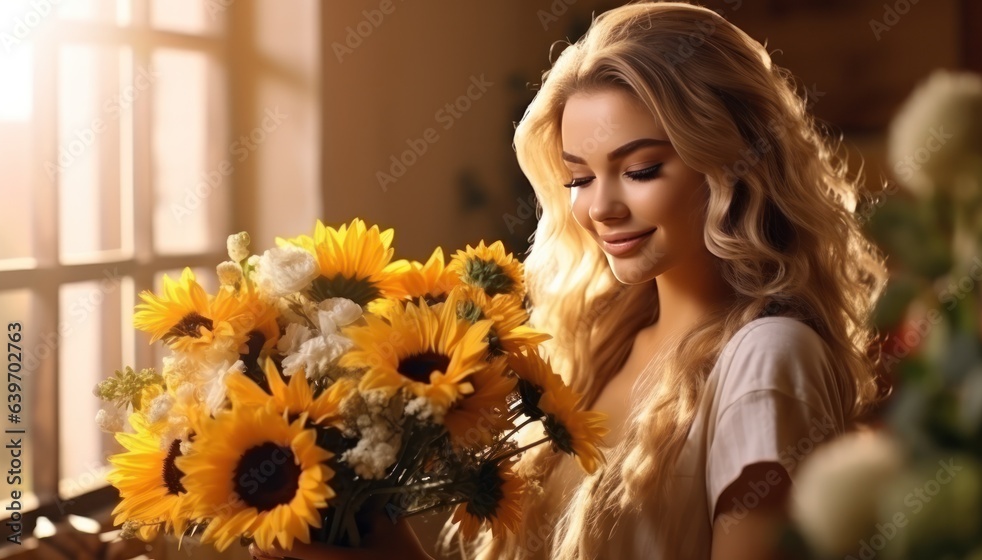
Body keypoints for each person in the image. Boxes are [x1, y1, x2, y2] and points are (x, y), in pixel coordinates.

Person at [251, 1, 887, 558]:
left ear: (733, 163)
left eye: (639, 170)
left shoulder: (767, 360)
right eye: (579, 177)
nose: (600, 208)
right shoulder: (598, 344)